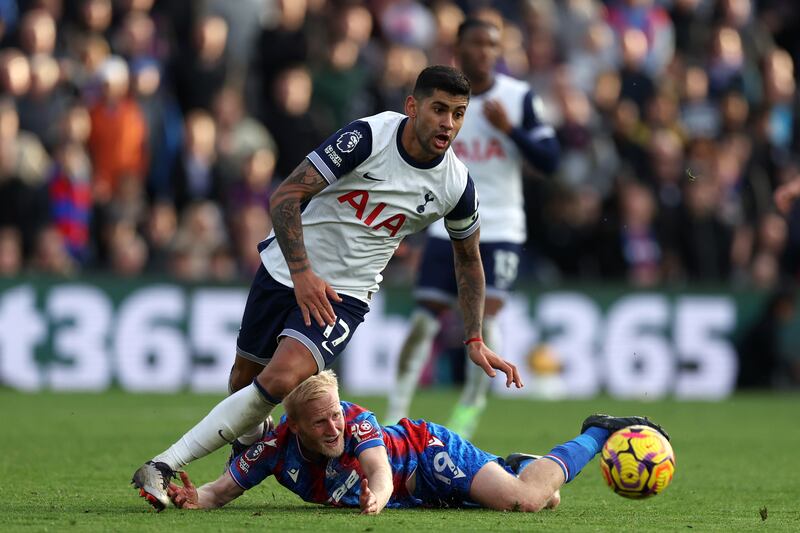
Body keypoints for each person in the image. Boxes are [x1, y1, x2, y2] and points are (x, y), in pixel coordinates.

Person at [132, 65, 523, 510]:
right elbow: (285, 197)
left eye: (458, 114)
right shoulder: (368, 138)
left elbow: (469, 261)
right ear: (412, 107)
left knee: (277, 379)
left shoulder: (455, 184)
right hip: (285, 269)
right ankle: (243, 465)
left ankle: (162, 464)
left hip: (344, 296)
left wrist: (474, 336)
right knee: (244, 382)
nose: (448, 124)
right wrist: (302, 273)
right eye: (438, 110)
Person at [385, 19, 559, 437]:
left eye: (492, 45)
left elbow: (551, 160)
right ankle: (393, 414)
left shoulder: (517, 99)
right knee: (424, 321)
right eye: (476, 43)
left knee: (482, 318)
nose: (485, 51)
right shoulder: (436, 101)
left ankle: (470, 408)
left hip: (500, 228)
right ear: (457, 47)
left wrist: (510, 131)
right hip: (445, 228)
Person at [165, 370, 670, 514]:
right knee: (547, 494)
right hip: (420, 497)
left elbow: (378, 468)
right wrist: (192, 499)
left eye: (336, 416)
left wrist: (378, 493)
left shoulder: (357, 422)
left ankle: (598, 431)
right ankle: (515, 463)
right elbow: (217, 493)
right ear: (292, 427)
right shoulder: (273, 451)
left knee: (529, 500)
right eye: (320, 423)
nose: (333, 427)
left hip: (427, 457)